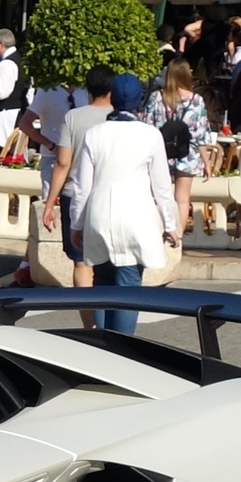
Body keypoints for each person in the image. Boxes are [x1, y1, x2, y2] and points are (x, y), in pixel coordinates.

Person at [71, 77, 179, 335]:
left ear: (111, 98)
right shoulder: (150, 135)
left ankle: (101, 340)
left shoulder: (93, 134)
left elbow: (81, 186)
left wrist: (76, 223)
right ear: (139, 100)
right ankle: (121, 348)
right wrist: (171, 223)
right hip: (136, 216)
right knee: (129, 286)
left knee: (102, 281)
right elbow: (162, 186)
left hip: (99, 214)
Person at [40, 66, 117, 316]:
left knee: (81, 262)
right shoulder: (121, 118)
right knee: (108, 262)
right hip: (109, 195)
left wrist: (50, 203)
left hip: (74, 195)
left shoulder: (73, 117)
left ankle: (89, 324)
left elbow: (62, 162)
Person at [143, 57, 209, 238]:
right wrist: (206, 162)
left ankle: (160, 231)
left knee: (159, 195)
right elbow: (201, 134)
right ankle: (177, 237)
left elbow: (147, 126)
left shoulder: (157, 98)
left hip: (161, 152)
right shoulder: (197, 100)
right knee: (182, 198)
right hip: (188, 153)